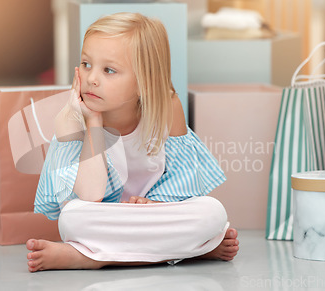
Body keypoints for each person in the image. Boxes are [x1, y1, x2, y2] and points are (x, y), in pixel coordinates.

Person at [26, 12, 239, 272]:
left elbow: (184, 179)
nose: (92, 78)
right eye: (86, 64)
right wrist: (93, 122)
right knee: (72, 218)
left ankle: (91, 257)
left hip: (154, 214)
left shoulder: (167, 108)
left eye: (109, 70)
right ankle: (191, 250)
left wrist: (156, 204)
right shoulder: (70, 119)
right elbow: (90, 197)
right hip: (104, 217)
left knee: (212, 211)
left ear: (143, 82)